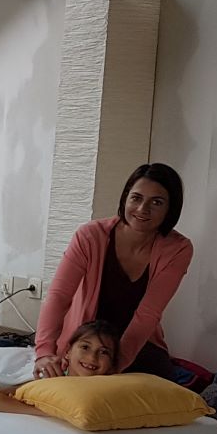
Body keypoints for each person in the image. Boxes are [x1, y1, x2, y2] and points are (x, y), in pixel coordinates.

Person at [34, 162, 192, 380]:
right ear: (125, 198)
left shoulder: (178, 249)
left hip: (138, 345)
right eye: (136, 198)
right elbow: (59, 296)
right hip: (88, 342)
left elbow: (148, 314)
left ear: (170, 208)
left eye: (156, 202)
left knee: (155, 390)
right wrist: (44, 352)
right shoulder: (90, 235)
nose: (142, 209)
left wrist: (114, 366)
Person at [0, 321, 117, 416]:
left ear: (112, 364)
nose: (92, 357)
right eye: (85, 347)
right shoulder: (51, 377)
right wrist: (51, 413)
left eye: (104, 352)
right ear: (68, 352)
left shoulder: (111, 389)